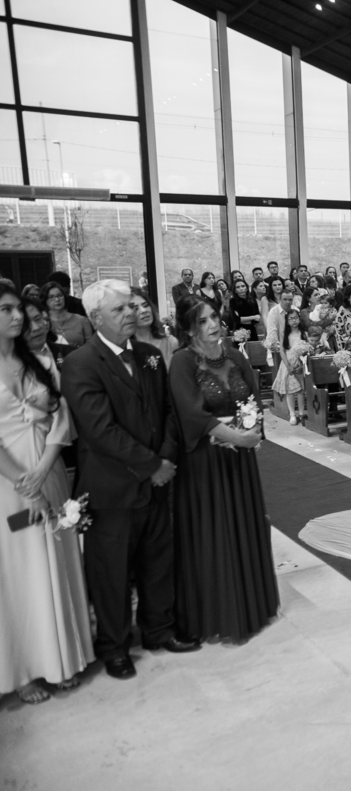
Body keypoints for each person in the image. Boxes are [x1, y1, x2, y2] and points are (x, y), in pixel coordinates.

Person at [62, 280, 199, 680]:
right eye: (120, 310)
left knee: (158, 561)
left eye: (131, 307)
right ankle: (115, 646)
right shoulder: (80, 363)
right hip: (114, 486)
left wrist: (168, 457)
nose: (131, 314)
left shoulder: (148, 355)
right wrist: (151, 464)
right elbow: (101, 430)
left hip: (158, 479)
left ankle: (159, 629)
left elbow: (168, 412)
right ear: (95, 318)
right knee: (112, 573)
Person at [0, 280, 92, 704]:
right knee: (20, 569)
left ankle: (62, 657)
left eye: (18, 309)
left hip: (49, 471)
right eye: (6, 310)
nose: (17, 317)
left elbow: (59, 416)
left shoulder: (36, 359)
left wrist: (42, 469)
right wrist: (24, 480)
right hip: (9, 486)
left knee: (55, 555)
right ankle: (24, 670)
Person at [170, 296, 278, 641]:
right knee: (215, 529)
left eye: (214, 317)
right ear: (189, 328)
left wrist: (254, 429)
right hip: (207, 460)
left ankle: (252, 604)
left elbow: (252, 396)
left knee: (244, 524)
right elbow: (191, 414)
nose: (212, 324)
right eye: (202, 321)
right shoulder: (182, 362)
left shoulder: (233, 355)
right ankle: (223, 612)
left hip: (240, 458)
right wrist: (235, 436)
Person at [272, 308, 308, 425]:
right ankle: (292, 414)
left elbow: (307, 349)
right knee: (290, 391)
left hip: (300, 364)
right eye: (291, 319)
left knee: (301, 390)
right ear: (287, 321)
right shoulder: (284, 334)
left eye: (296, 318)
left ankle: (301, 413)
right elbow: (282, 350)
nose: (294, 321)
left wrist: (303, 364)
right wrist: (288, 365)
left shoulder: (303, 333)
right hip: (288, 364)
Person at [131, 288, 179, 367]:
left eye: (145, 305)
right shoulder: (125, 348)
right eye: (136, 308)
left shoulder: (170, 343)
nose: (143, 310)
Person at [43, 281, 94, 348]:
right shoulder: (43, 322)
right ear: (45, 300)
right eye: (51, 297)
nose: (57, 299)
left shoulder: (82, 320)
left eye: (60, 295)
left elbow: (91, 347)